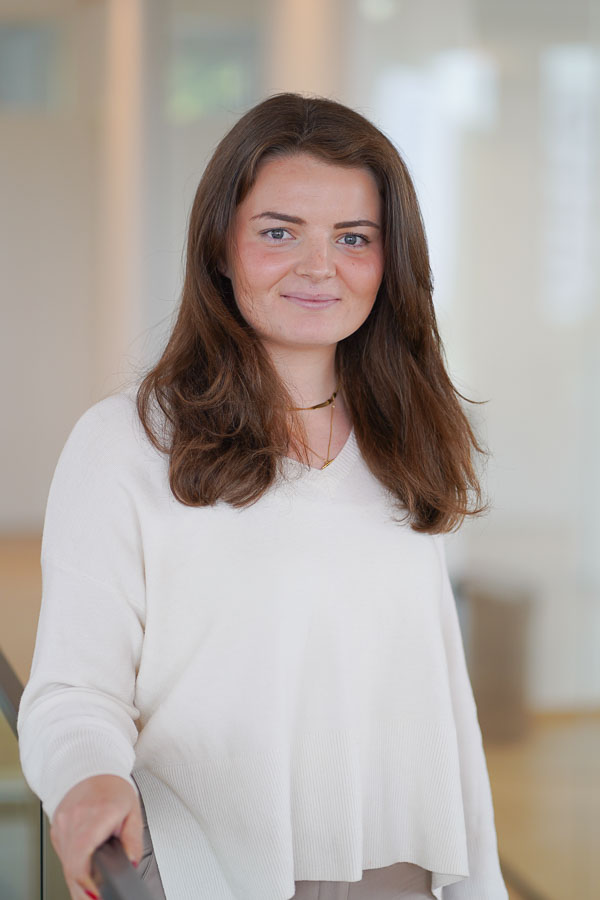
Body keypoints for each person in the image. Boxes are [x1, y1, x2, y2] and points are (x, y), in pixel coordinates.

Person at [18, 93, 508, 900]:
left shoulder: (407, 437)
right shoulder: (126, 444)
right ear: (221, 245)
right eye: (279, 233)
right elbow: (75, 690)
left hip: (398, 873)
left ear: (389, 260)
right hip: (205, 872)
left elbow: (442, 702)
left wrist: (478, 885)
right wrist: (86, 782)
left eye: (353, 238)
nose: (319, 267)